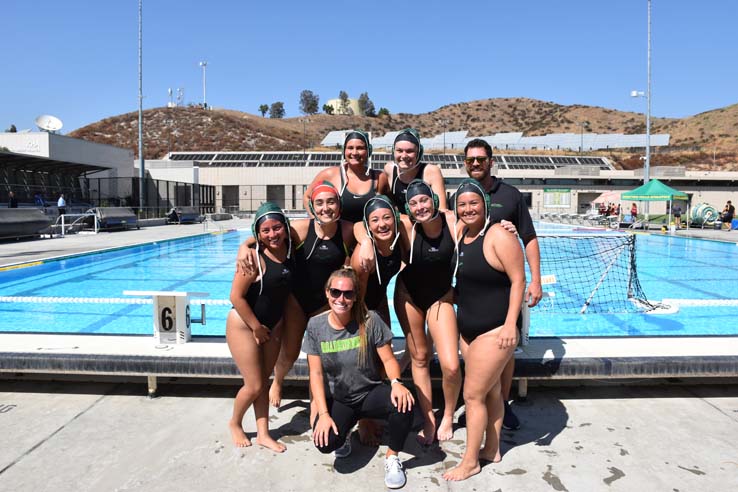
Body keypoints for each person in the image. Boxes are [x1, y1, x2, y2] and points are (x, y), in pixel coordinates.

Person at [236, 183, 356, 409]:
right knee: (290, 354)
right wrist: (244, 245)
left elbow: (366, 235)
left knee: (322, 356)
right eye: (319, 203)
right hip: (297, 302)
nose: (326, 208)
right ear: (312, 206)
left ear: (339, 205)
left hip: (325, 305)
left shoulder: (348, 230)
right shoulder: (301, 229)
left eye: (331, 202)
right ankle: (278, 381)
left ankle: (318, 404)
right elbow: (268, 233)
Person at [456, 138, 541, 430]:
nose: (476, 164)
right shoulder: (464, 195)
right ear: (465, 164)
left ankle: (502, 405)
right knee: (479, 355)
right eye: (470, 160)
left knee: (505, 354)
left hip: (505, 294)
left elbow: (529, 237)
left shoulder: (511, 195)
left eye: (481, 159)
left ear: (491, 161)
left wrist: (536, 280)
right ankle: (481, 401)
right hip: (476, 294)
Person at [443, 179, 525, 481]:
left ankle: (470, 461)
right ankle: (492, 448)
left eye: (473, 203)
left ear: (485, 205)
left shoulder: (499, 236)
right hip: (469, 330)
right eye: (461, 204)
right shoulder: (462, 234)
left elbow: (519, 281)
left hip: (495, 330)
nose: (467, 209)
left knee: (473, 396)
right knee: (490, 393)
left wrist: (509, 325)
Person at [305, 266, 415, 489]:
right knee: (325, 443)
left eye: (348, 293)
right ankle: (344, 432)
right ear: (327, 293)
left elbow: (389, 360)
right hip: (341, 398)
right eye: (335, 292)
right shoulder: (316, 325)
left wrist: (396, 383)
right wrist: (323, 413)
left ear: (355, 296)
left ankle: (392, 456)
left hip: (369, 392)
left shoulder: (370, 320)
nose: (341, 298)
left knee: (405, 404)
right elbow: (315, 373)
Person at [226, 202, 295, 452]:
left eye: (277, 228)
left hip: (272, 327)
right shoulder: (253, 258)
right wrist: (255, 327)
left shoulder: (290, 250)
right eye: (265, 231)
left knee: (264, 383)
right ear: (258, 234)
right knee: (254, 385)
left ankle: (263, 434)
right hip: (245, 326)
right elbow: (236, 297)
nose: (272, 234)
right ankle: (235, 423)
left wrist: (271, 327)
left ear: (285, 228)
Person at [304, 130, 389, 223]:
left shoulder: (379, 177)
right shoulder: (330, 175)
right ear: (344, 151)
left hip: (367, 236)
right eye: (350, 148)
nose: (354, 152)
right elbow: (307, 197)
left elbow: (391, 205)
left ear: (368, 151)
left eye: (360, 148)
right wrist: (316, 221)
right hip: (340, 236)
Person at [383, 128, 447, 211]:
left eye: (410, 151)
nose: (404, 156)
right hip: (400, 222)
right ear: (393, 152)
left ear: (419, 153)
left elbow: (442, 210)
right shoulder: (389, 169)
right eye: (399, 151)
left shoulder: (431, 171)